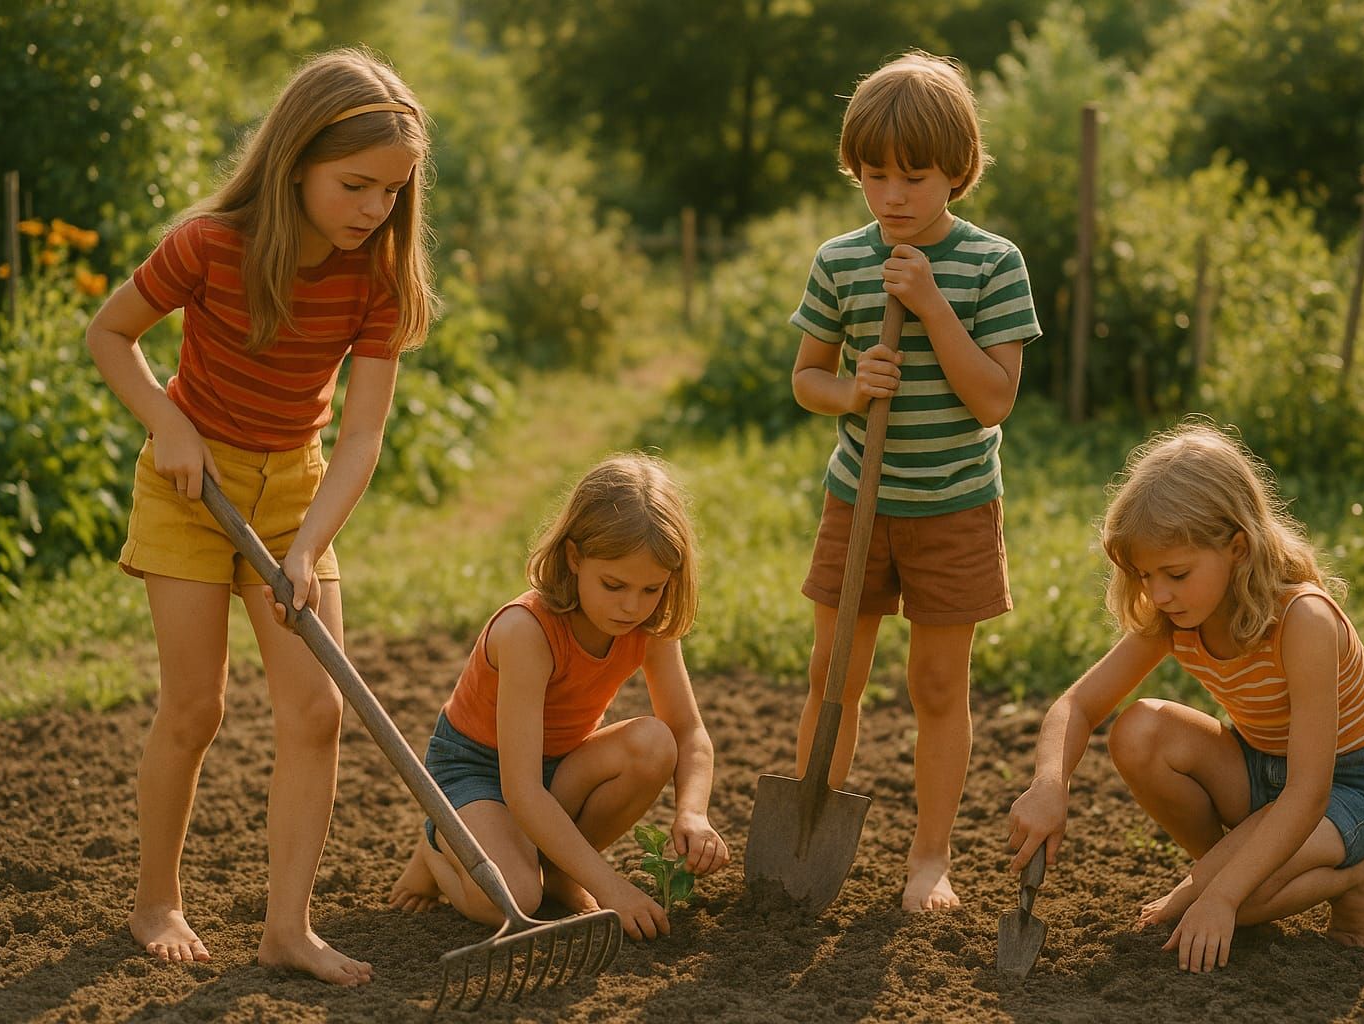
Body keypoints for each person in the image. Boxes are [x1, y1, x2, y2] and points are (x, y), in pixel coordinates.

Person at [85, 49, 436, 985]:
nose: (375, 208)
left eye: (393, 191)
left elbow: (361, 435)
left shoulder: (379, 277)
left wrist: (310, 544)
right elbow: (109, 334)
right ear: (294, 161)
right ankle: (156, 900)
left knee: (317, 710)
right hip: (190, 490)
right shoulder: (210, 245)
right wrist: (167, 422)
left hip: (294, 496)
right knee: (196, 708)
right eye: (355, 185)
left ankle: (288, 928)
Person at [787, 50, 1041, 912]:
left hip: (952, 507)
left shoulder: (992, 265)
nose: (892, 196)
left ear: (958, 172)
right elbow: (808, 377)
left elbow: (994, 399)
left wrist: (931, 305)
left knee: (936, 687)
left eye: (915, 177)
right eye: (874, 175)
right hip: (858, 501)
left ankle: (930, 858)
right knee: (834, 677)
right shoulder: (840, 261)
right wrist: (851, 390)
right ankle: (807, 832)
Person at [1007, 422, 1364, 972]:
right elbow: (1078, 705)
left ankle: (1355, 877)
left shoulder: (1303, 620)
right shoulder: (1174, 614)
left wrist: (1217, 894)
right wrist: (1050, 783)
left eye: (1176, 573)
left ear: (1238, 547)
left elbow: (1309, 793)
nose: (1158, 593)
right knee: (1139, 731)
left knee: (1234, 899)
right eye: (1145, 574)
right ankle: (1226, 872)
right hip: (1259, 767)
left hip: (1345, 786)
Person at [388, 454, 729, 941]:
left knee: (654, 743)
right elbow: (521, 790)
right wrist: (612, 887)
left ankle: (559, 871)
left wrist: (693, 812)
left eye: (651, 588)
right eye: (613, 585)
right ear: (574, 557)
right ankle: (438, 844)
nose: (631, 606)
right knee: (515, 898)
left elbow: (687, 730)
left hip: (560, 766)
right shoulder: (527, 631)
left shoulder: (649, 626)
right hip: (478, 771)